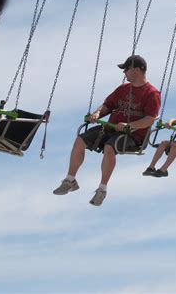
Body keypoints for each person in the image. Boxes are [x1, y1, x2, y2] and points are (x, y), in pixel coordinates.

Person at [53, 55, 161, 206]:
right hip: (110, 129)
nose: (124, 73)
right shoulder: (123, 89)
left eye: (126, 69)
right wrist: (97, 114)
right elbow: (108, 105)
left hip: (132, 135)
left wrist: (130, 125)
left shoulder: (152, 93)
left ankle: (102, 190)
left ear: (136, 70)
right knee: (80, 140)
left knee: (110, 147)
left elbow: (150, 119)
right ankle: (70, 180)